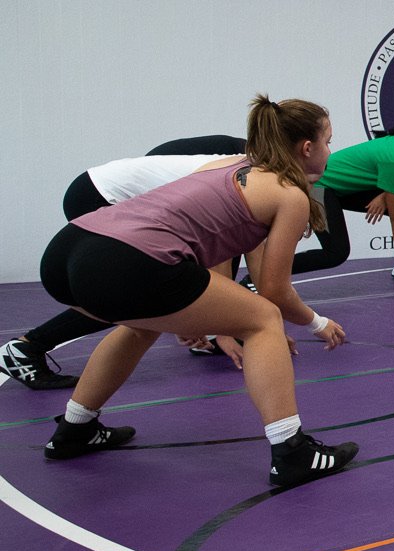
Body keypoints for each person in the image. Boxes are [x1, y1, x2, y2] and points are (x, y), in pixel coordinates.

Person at [35, 96, 356, 486]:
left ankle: (75, 428)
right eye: (329, 141)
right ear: (308, 148)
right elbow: (273, 290)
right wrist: (316, 322)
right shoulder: (289, 196)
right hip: (123, 261)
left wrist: (201, 312)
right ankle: (292, 452)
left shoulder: (232, 164)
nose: (329, 150)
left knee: (142, 325)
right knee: (264, 320)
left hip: (67, 253)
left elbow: (233, 257)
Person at [2, 142, 249, 390]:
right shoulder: (250, 175)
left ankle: (205, 336)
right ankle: (26, 348)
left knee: (160, 292)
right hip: (102, 194)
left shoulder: (249, 162)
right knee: (130, 293)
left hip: (108, 190)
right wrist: (220, 328)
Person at [290, 108, 394, 297]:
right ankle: (262, 275)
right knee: (336, 253)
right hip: (319, 185)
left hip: (343, 188)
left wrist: (384, 197)